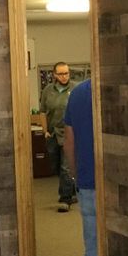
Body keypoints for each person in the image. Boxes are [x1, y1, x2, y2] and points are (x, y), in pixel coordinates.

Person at [64, 78, 98, 256]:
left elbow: (69, 140)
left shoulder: (77, 94)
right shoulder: (114, 89)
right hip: (116, 185)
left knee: (93, 254)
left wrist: (76, 174)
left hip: (88, 184)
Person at [39, 62, 77, 212]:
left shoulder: (75, 89)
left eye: (67, 73)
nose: (64, 76)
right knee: (55, 166)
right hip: (53, 133)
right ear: (54, 74)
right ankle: (72, 190)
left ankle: (65, 199)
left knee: (66, 167)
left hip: (69, 133)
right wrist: (44, 130)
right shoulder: (48, 90)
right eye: (61, 74)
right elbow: (42, 111)